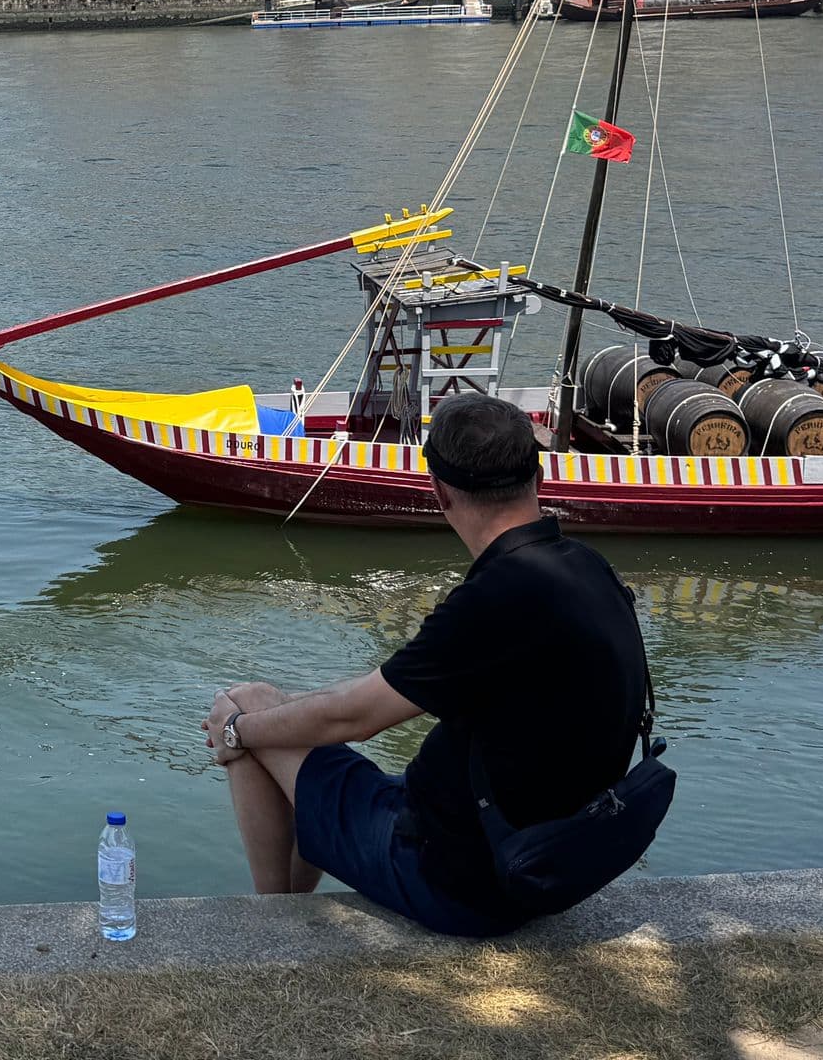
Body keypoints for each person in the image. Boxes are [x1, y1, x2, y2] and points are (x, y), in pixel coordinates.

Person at [199, 393, 649, 936]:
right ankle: (290, 911)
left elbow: (356, 719)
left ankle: (272, 928)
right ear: (537, 475)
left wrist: (238, 730)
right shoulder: (588, 570)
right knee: (291, 720)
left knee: (244, 705)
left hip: (455, 877)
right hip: (546, 855)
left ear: (439, 493)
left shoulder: (496, 599)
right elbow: (369, 702)